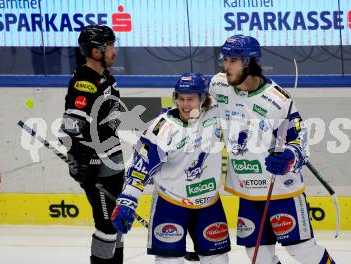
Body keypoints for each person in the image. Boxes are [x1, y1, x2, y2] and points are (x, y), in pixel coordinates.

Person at [209, 34, 335, 264]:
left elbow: (301, 143)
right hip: (247, 190)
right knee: (257, 256)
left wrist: (289, 156)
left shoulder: (278, 100)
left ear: (249, 62)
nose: (226, 66)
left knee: (303, 251)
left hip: (281, 190)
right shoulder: (218, 86)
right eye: (224, 60)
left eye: (232, 61)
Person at [111, 73, 231, 264]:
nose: (185, 104)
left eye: (190, 99)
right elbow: (140, 166)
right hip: (171, 203)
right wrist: (127, 201)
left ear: (203, 98)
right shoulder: (162, 128)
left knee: (218, 260)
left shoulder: (216, 111)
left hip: (209, 203)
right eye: (181, 99)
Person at [59, 24, 125, 264]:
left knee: (118, 221)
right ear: (96, 51)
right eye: (110, 47)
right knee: (106, 226)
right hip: (97, 165)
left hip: (113, 158)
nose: (114, 52)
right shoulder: (84, 83)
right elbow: (72, 127)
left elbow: (112, 116)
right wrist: (83, 163)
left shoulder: (106, 77)